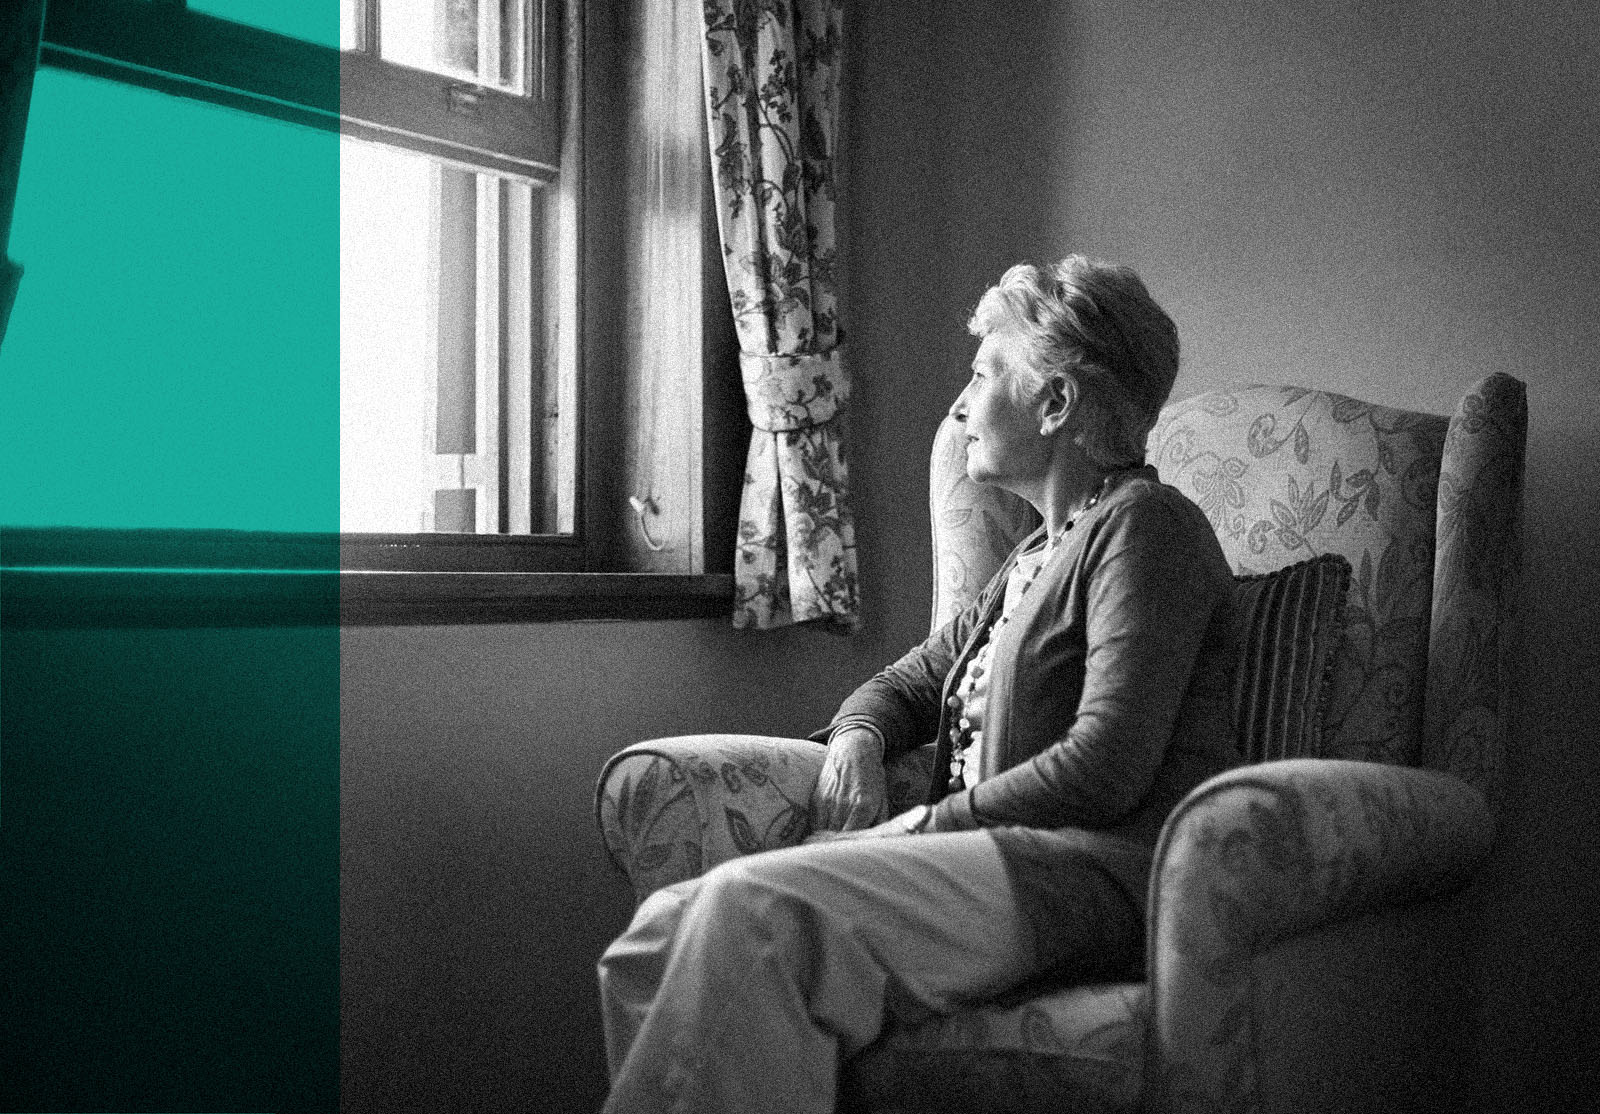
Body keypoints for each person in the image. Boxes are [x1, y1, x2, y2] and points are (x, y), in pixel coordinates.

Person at [597, 255, 1238, 1114]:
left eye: (982, 374)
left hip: (1092, 877)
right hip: (989, 862)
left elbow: (1110, 762)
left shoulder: (1146, 528)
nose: (960, 405)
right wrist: (859, 739)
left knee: (750, 915)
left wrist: (917, 827)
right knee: (654, 939)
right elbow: (905, 682)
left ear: (1057, 404)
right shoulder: (1033, 556)